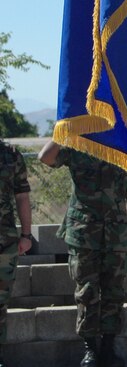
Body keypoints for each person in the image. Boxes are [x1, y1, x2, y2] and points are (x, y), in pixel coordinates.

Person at [38, 141, 127, 367]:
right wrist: (64, 128)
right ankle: (90, 349)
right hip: (84, 234)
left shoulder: (121, 144)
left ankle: (109, 348)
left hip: (116, 234)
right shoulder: (76, 141)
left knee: (114, 292)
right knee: (87, 292)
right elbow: (45, 157)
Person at [0, 140, 32, 367]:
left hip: (4, 241)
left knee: (0, 302)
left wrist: (27, 235)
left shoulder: (10, 154)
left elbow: (22, 196)